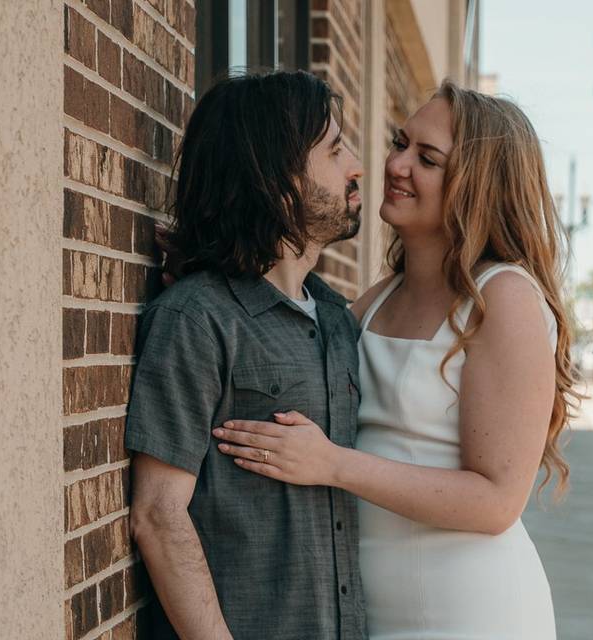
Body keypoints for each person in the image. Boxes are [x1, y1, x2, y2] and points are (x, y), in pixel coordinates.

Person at [215, 81, 579, 639]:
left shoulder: (504, 298)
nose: (396, 164)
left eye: (427, 158)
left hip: (471, 614)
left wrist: (333, 463)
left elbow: (497, 501)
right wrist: (212, 277)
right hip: (370, 617)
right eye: (400, 142)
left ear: (475, 188)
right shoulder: (378, 298)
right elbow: (283, 332)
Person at [124, 70, 367, 640]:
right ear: (278, 181)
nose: (356, 165)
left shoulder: (336, 320)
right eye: (335, 151)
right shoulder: (197, 318)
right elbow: (158, 516)